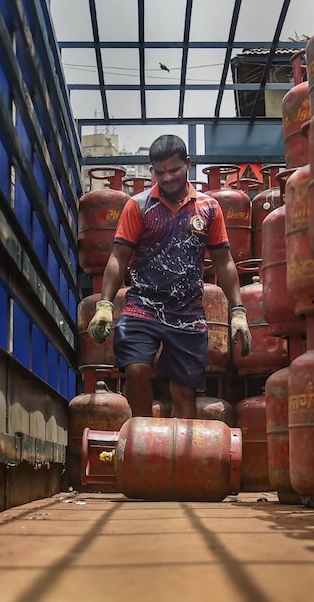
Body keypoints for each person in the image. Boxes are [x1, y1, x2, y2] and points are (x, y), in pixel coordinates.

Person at [87, 134, 251, 419]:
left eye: (174, 170)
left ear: (188, 163)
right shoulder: (138, 206)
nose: (168, 178)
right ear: (152, 171)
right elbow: (118, 257)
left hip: (188, 312)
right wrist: (104, 304)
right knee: (136, 369)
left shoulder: (208, 208)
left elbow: (223, 262)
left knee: (184, 391)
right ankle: (142, 432)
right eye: (160, 172)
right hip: (142, 306)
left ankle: (178, 445)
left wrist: (237, 310)